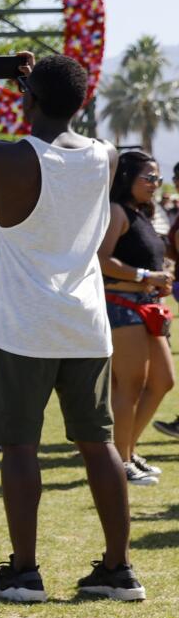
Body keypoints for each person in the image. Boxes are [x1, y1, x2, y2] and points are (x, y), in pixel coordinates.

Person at [0, 51, 141, 602]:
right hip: (86, 323)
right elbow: (61, 142)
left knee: (19, 446)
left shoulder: (8, 155)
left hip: (24, 325)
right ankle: (118, 570)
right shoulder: (106, 154)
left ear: (28, 98)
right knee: (99, 445)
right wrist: (37, 89)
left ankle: (24, 572)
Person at [99, 150, 173, 486]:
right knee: (129, 385)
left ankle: (128, 450)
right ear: (127, 178)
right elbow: (102, 259)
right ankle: (120, 460)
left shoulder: (141, 213)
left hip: (146, 306)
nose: (155, 184)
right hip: (121, 305)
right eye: (149, 177)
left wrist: (161, 277)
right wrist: (146, 276)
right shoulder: (116, 211)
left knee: (162, 381)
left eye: (158, 178)